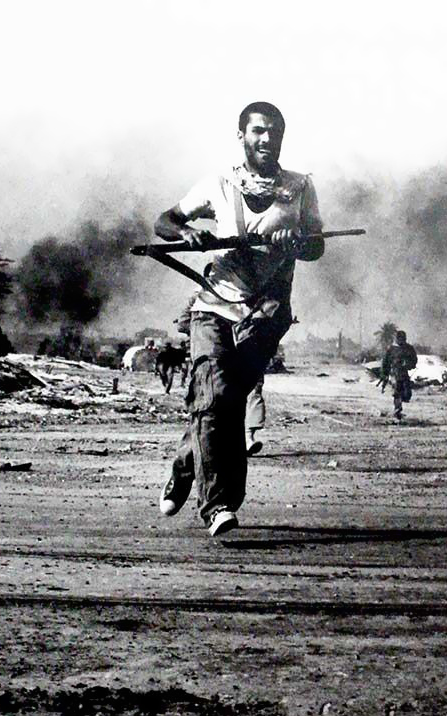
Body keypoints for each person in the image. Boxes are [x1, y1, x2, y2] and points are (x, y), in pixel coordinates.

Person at [155, 101, 324, 536]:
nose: (267, 139)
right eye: (258, 131)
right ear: (242, 136)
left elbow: (317, 245)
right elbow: (164, 221)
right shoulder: (219, 183)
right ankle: (219, 506)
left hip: (267, 315)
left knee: (226, 403)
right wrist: (186, 233)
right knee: (215, 399)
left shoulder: (300, 187)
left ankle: (185, 464)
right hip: (214, 306)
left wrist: (297, 241)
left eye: (274, 132)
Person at [380, 330, 417, 420]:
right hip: (394, 373)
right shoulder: (391, 349)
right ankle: (397, 410)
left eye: (403, 339)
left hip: (404, 373)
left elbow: (414, 360)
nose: (401, 340)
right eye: (399, 338)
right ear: (396, 339)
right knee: (397, 392)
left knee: (407, 394)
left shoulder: (409, 348)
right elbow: (385, 362)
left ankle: (399, 405)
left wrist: (408, 364)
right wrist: (385, 374)